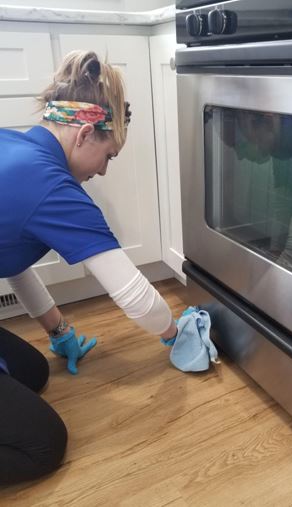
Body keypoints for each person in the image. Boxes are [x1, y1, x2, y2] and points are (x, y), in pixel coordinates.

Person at [0, 50, 178, 485]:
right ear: (83, 134)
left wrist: (57, 330)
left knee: (34, 372)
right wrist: (176, 332)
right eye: (109, 156)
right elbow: (134, 296)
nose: (102, 170)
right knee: (43, 445)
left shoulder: (12, 143)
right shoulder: (51, 186)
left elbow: (12, 260)